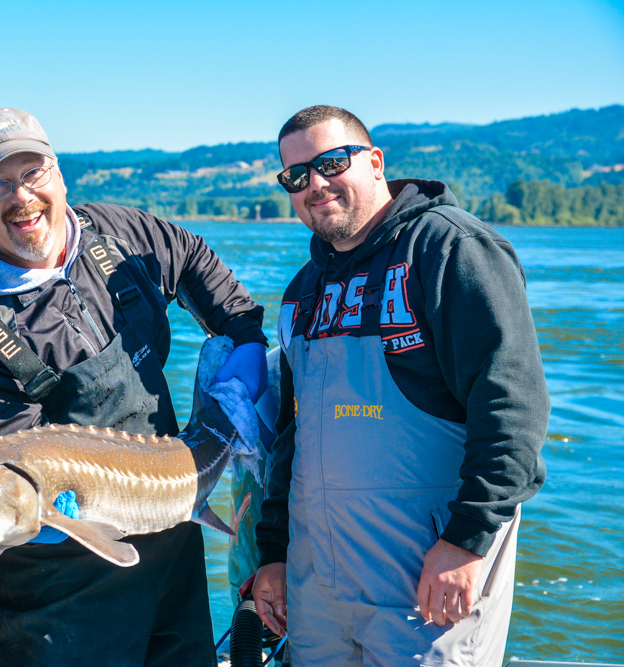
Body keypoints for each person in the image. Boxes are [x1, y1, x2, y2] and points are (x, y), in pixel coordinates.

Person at [0, 107, 268, 666]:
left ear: (59, 174)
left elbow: (191, 259)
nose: (22, 196)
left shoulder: (117, 233)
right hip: (66, 587)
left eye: (33, 173)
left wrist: (242, 335)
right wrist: (50, 515)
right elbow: (11, 463)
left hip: (173, 540)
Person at [251, 106, 549, 666]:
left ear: (374, 162)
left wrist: (467, 540)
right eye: (295, 176)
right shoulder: (301, 293)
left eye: (329, 162)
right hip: (319, 593)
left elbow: (513, 405)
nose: (314, 184)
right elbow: (292, 435)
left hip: (427, 585)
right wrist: (275, 553)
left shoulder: (450, 251)